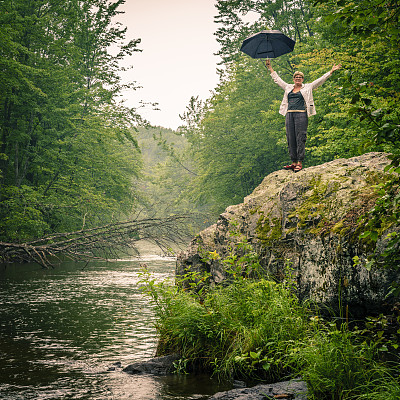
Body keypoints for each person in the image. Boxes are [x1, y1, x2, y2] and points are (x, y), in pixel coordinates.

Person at [266, 59, 341, 172]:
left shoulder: (307, 87)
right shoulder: (288, 87)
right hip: (289, 115)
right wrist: (270, 68)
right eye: (296, 78)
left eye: (300, 78)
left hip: (301, 115)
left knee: (300, 137)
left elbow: (320, 81)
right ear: (293, 79)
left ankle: (300, 162)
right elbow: (277, 80)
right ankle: (293, 161)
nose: (298, 79)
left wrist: (330, 72)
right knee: (290, 137)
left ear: (302, 79)